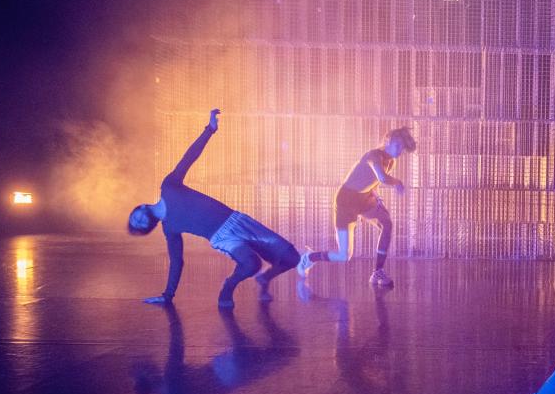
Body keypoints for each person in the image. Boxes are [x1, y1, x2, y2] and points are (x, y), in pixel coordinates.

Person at [128, 109, 301, 308]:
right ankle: (228, 287)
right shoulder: (170, 229)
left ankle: (265, 279)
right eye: (139, 225)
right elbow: (177, 262)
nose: (138, 221)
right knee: (252, 264)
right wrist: (167, 295)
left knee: (292, 258)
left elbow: (188, 158)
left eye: (134, 217)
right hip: (223, 238)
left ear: (140, 207)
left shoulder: (168, 186)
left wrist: (209, 129)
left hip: (237, 220)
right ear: (148, 226)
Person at [297, 127, 416, 288]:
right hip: (346, 201)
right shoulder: (373, 155)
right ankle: (309, 258)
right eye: (397, 146)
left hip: (364, 199)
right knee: (344, 255)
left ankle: (377, 272)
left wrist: (375, 194)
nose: (400, 151)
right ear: (388, 141)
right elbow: (381, 177)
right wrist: (398, 182)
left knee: (387, 223)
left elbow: (371, 179)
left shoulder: (391, 162)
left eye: (402, 148)